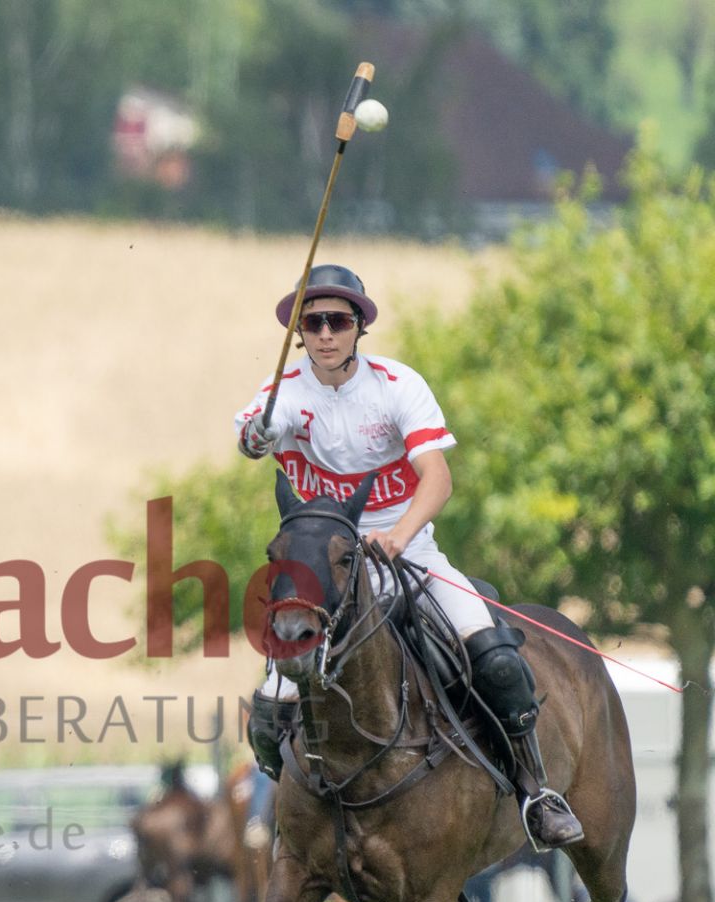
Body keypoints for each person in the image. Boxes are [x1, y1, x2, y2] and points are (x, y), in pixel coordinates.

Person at [236, 264, 584, 848]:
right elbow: (252, 437)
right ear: (299, 333)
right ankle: (296, 823)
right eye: (313, 323)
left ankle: (535, 792)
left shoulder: (397, 385)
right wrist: (258, 433)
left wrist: (398, 535)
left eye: (338, 321)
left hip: (408, 551)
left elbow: (437, 479)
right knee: (269, 718)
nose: (326, 333)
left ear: (358, 327)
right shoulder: (283, 394)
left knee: (498, 661)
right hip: (326, 569)